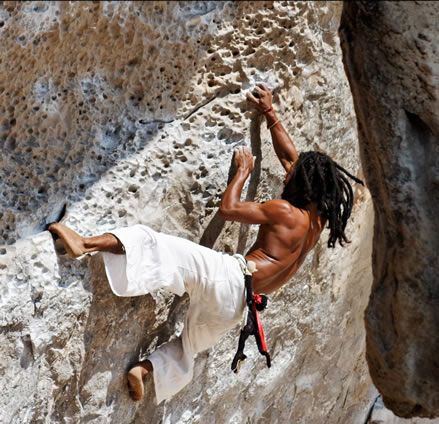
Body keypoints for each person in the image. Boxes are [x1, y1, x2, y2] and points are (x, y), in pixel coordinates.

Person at [47, 84, 363, 404]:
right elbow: (291, 160)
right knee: (188, 349)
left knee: (151, 242)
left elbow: (229, 210)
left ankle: (84, 244)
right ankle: (145, 368)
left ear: (303, 183)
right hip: (239, 306)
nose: (287, 175)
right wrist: (269, 113)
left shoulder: (284, 211)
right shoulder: (316, 224)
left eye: (293, 175)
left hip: (226, 275)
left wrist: (242, 172)